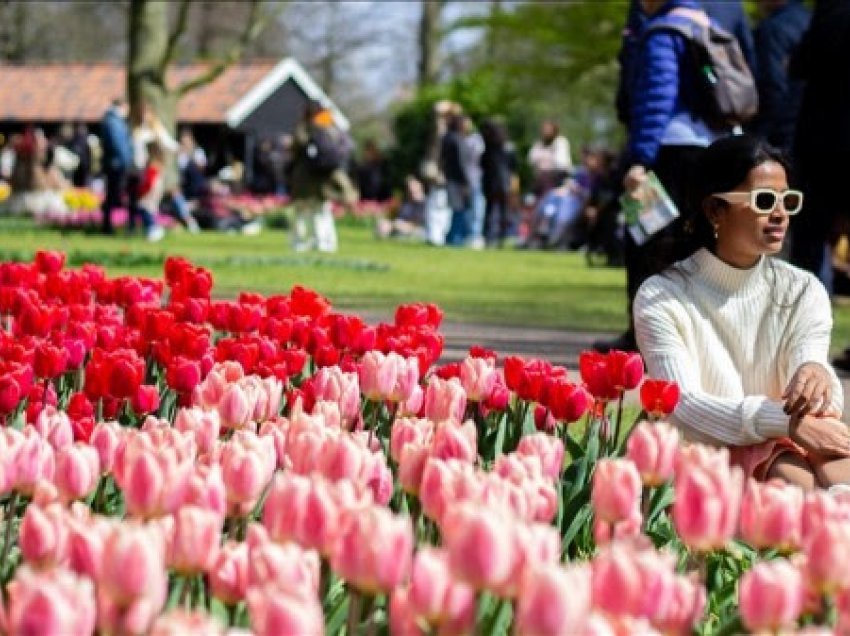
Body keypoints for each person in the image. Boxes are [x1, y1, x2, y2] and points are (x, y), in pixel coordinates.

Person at [635, 134, 850, 490]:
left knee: (838, 468)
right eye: (765, 201)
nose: (780, 214)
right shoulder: (663, 295)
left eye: (788, 200)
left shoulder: (802, 289)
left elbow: (816, 384)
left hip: (788, 439)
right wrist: (785, 423)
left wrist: (815, 376)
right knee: (794, 481)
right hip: (705, 451)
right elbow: (685, 406)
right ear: (715, 210)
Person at [595, 0, 728, 353]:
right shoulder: (703, 22)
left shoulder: (662, 32)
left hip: (666, 152)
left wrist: (639, 160)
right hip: (709, 147)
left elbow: (656, 100)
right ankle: (693, 335)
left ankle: (644, 335)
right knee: (697, 245)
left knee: (646, 243)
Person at [789, 0, 850, 290]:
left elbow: (800, 63)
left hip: (822, 146)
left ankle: (805, 321)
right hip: (827, 144)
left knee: (809, 242)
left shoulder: (831, 10)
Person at [288, 100, 357, 252]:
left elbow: (297, 146)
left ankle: (301, 242)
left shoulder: (306, 126)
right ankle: (326, 242)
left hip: (306, 177)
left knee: (302, 211)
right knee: (322, 210)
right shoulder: (329, 123)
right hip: (325, 176)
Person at [751, 0, 811, 153]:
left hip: (779, 132)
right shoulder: (811, 20)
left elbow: (772, 86)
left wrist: (761, 134)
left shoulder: (772, 29)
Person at [480, 118, 515, 247]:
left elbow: (483, 164)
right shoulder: (507, 147)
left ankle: (488, 237)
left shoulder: (488, 148)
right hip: (504, 182)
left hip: (491, 182)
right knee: (503, 211)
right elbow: (513, 166)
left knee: (490, 210)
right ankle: (502, 237)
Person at [99, 98, 132, 235]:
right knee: (113, 195)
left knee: (112, 195)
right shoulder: (114, 122)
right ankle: (107, 226)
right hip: (116, 164)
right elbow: (118, 144)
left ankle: (108, 225)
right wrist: (127, 161)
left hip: (114, 163)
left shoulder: (111, 120)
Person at [441, 113, 472, 247]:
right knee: (459, 210)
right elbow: (461, 163)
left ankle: (452, 237)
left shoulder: (447, 138)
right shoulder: (457, 139)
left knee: (456, 210)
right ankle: (455, 238)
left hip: (451, 177)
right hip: (458, 180)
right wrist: (466, 181)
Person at [527, 120, 572, 198]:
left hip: (558, 179)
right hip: (540, 179)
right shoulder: (539, 143)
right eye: (544, 129)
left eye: (548, 129)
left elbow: (561, 163)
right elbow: (531, 160)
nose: (546, 131)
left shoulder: (560, 142)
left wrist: (544, 162)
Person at [135, 141, 166, 242]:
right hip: (155, 188)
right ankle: (151, 229)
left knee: (145, 209)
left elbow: (149, 181)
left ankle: (153, 228)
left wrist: (141, 191)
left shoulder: (152, 164)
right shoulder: (158, 163)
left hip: (150, 189)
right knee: (149, 209)